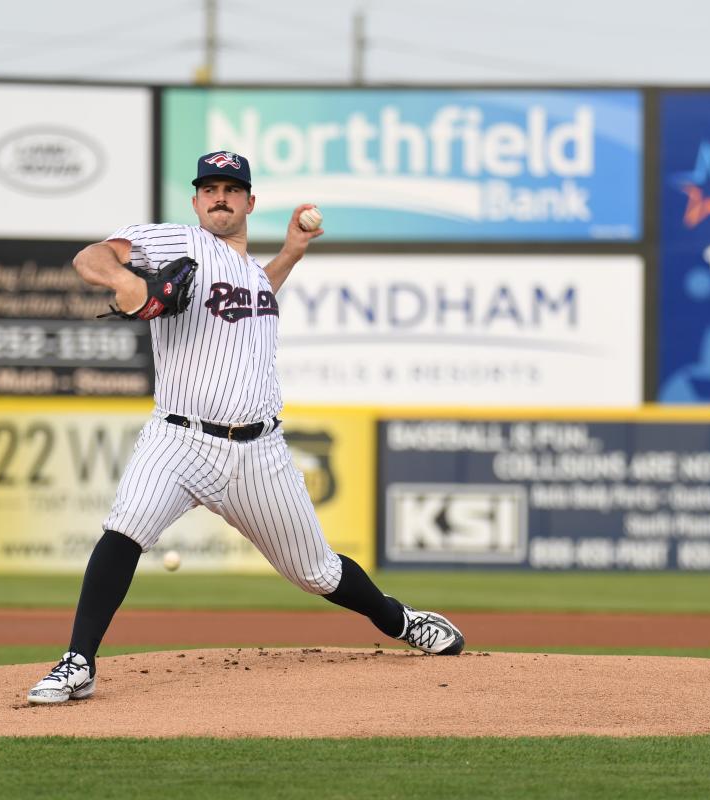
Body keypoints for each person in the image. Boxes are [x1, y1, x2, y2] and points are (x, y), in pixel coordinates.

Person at [27, 151, 464, 704]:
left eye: (231, 189)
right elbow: (90, 256)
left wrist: (289, 255)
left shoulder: (252, 275)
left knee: (318, 571)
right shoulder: (179, 241)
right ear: (195, 201)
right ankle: (78, 662)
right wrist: (124, 280)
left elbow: (253, 295)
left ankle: (400, 621)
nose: (219, 196)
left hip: (260, 452)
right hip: (179, 439)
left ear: (249, 202)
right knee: (125, 528)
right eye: (209, 187)